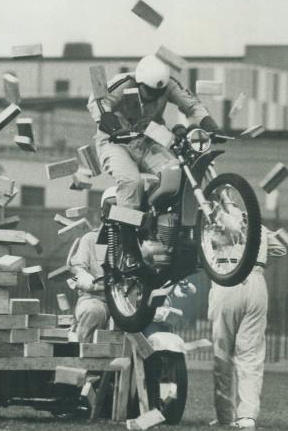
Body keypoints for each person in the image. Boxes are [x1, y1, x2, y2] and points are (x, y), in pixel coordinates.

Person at [87, 54, 222, 259]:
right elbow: (98, 101)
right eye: (148, 90)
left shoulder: (168, 85)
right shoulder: (124, 82)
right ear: (140, 81)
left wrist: (208, 122)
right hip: (116, 142)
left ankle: (164, 225)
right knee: (132, 181)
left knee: (176, 172)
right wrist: (109, 122)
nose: (153, 95)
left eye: (158, 92)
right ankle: (130, 245)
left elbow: (192, 104)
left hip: (148, 140)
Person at [208, 225, 286, 431]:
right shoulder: (257, 225)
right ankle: (247, 417)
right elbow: (283, 247)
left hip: (226, 276)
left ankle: (225, 415)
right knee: (250, 354)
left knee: (222, 351)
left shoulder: (213, 224)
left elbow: (203, 254)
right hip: (256, 279)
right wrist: (257, 259)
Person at [66, 189, 118, 343]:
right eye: (112, 207)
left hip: (126, 300)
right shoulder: (90, 239)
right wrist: (84, 277)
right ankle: (87, 360)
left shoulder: (135, 242)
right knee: (93, 312)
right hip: (95, 297)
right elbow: (78, 266)